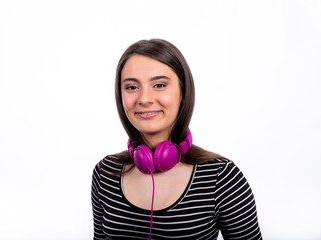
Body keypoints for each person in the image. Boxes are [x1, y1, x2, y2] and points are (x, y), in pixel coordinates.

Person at [91, 39, 262, 240]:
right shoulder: (106, 173)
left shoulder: (221, 177)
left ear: (183, 93)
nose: (144, 99)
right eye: (131, 87)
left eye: (159, 85)